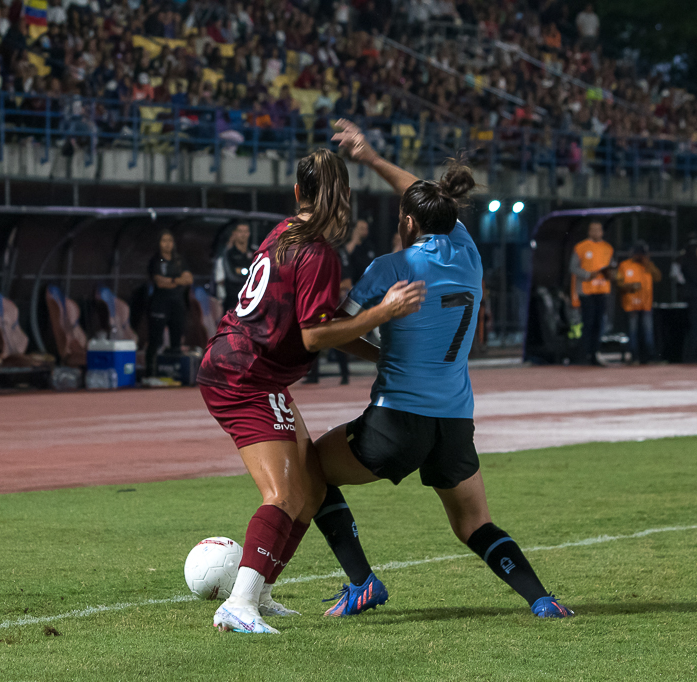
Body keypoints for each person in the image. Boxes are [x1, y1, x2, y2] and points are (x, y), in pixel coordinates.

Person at [306, 120, 574, 621]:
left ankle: (362, 582)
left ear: (408, 222)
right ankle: (542, 599)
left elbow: (337, 330)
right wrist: (373, 158)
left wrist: (376, 351)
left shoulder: (391, 267)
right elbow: (429, 200)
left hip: (396, 420)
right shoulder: (468, 254)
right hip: (453, 421)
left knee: (309, 471)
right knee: (475, 524)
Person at [196, 148, 426, 634]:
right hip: (246, 375)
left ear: (297, 192)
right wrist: (382, 314)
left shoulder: (283, 233)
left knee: (314, 487)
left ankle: (259, 590)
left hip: (245, 366)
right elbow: (314, 334)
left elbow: (325, 320)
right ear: (344, 196)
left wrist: (381, 354)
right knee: (282, 494)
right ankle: (239, 603)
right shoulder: (318, 251)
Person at [146, 230, 192, 377]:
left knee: (176, 338)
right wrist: (177, 280)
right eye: (164, 241)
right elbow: (160, 282)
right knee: (155, 339)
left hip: (177, 303)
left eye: (170, 241)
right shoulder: (157, 260)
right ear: (159, 243)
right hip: (160, 303)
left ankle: (175, 373)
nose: (167, 244)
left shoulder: (179, 260)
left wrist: (172, 281)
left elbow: (188, 279)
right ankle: (150, 373)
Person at [571, 221, 615, 366]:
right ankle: (583, 355)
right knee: (588, 323)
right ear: (589, 232)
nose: (596, 232)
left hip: (602, 290)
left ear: (602, 232)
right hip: (586, 291)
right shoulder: (581, 247)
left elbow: (612, 267)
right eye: (593, 230)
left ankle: (595, 354)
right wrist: (587, 274)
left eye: (598, 230)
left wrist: (610, 273)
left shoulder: (608, 248)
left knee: (599, 323)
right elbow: (573, 267)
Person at [616, 241, 661, 364]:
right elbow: (619, 283)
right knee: (633, 331)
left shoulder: (647, 266)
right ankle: (634, 356)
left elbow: (658, 277)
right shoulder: (625, 265)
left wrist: (648, 264)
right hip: (631, 304)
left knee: (648, 331)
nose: (641, 256)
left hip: (645, 304)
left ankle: (649, 356)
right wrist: (630, 286)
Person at [213, 223, 253, 309]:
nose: (243, 234)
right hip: (233, 301)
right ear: (234, 233)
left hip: (252, 300)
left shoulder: (254, 252)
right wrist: (251, 273)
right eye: (240, 231)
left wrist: (242, 271)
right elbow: (231, 276)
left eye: (246, 231)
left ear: (249, 233)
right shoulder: (227, 254)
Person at [674, 233, 697, 363]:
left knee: (693, 327)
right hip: (694, 296)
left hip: (690, 295)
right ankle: (692, 356)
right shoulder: (690, 260)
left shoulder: (684, 259)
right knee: (694, 327)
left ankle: (691, 355)